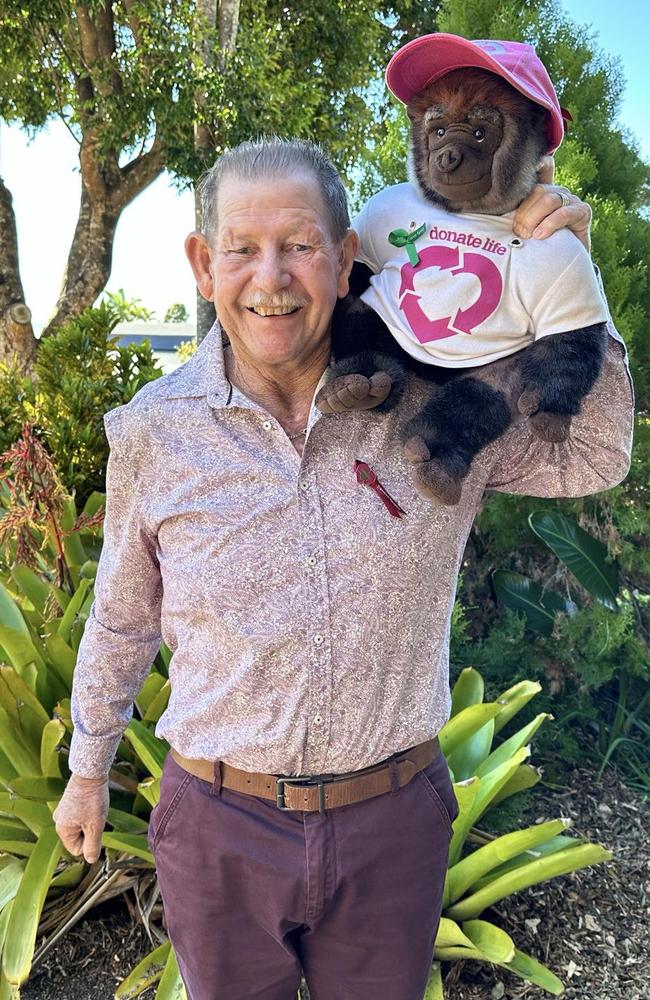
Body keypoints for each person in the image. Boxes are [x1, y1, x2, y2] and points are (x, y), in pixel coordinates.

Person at [54, 137, 633, 1000]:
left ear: (346, 258)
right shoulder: (154, 433)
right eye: (242, 249)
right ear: (205, 265)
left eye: (299, 245)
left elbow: (596, 454)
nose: (271, 276)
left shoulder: (439, 408)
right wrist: (87, 770)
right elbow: (125, 616)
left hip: (391, 824)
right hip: (217, 825)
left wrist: (574, 288)